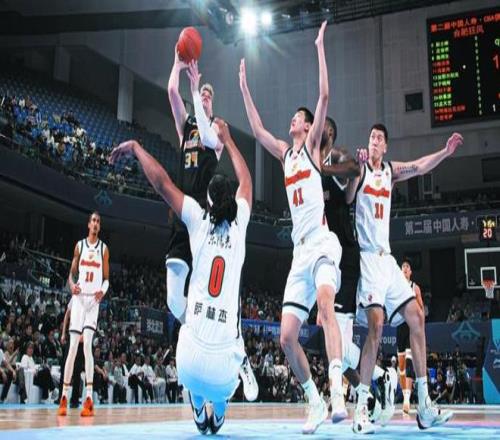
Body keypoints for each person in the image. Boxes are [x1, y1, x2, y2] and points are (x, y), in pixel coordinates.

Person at [110, 117, 251, 435]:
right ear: (232, 201)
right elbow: (247, 180)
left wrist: (136, 148)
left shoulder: (198, 220)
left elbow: (162, 183)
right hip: (222, 371)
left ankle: (198, 405)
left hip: (189, 364)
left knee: (185, 325)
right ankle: (218, 410)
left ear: (208, 202)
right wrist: (228, 140)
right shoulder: (241, 224)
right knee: (224, 383)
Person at [239, 21, 346, 434]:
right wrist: (244, 88)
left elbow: (324, 96)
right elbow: (257, 129)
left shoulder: (313, 148)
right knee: (286, 337)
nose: (292, 120)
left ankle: (337, 389)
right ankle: (315, 401)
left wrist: (319, 47)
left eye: (297, 118)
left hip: (321, 242)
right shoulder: (285, 153)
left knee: (325, 305)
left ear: (306, 125)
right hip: (299, 251)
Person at [345, 125, 462, 433]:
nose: (374, 141)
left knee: (417, 318)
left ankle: (424, 406)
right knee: (376, 327)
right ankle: (361, 410)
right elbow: (347, 197)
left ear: (385, 147)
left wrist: (445, 152)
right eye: (371, 137)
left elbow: (419, 166)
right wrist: (356, 171)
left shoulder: (390, 171)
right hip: (368, 259)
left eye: (379, 139)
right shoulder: (360, 168)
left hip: (387, 260)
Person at [167, 49, 257, 402]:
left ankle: (236, 350)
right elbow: (171, 93)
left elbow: (206, 134)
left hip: (207, 223)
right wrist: (178, 65)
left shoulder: (215, 133)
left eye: (208, 96)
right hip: (183, 219)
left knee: (224, 292)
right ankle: (202, 345)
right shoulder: (186, 127)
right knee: (174, 302)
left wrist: (195, 89)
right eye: (202, 94)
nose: (204, 97)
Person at [319, 117, 396, 425]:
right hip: (322, 257)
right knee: (328, 342)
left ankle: (357, 389)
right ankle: (378, 378)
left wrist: (327, 167)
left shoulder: (336, 156)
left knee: (334, 339)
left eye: (322, 128)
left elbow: (353, 169)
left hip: (346, 256)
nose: (317, 131)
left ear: (329, 132)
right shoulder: (306, 162)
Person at [57, 211, 110, 417]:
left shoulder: (104, 249)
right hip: (79, 299)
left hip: (93, 301)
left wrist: (102, 291)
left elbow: (106, 279)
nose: (95, 224)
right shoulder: (79, 246)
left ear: (99, 226)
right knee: (72, 348)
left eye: (98, 221)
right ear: (88, 224)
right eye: (93, 221)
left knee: (87, 345)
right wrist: (71, 285)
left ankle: (88, 399)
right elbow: (71, 274)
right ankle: (64, 396)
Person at [398, 257, 424, 414]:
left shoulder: (415, 288)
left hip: (410, 326)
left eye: (407, 266)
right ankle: (404, 395)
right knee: (401, 367)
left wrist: (421, 328)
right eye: (403, 266)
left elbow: (421, 308)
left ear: (411, 272)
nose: (405, 268)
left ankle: (407, 399)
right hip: (399, 326)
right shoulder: (395, 286)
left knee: (408, 362)